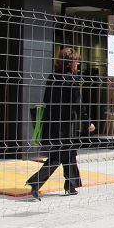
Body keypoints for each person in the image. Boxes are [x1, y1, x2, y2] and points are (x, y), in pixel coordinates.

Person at [26, 47, 95, 200]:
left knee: (68, 153)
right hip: (67, 125)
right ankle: (36, 183)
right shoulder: (72, 79)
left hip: (53, 123)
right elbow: (79, 105)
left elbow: (46, 100)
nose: (77, 65)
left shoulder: (52, 77)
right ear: (70, 63)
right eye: (76, 62)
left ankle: (71, 185)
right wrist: (87, 122)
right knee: (59, 156)